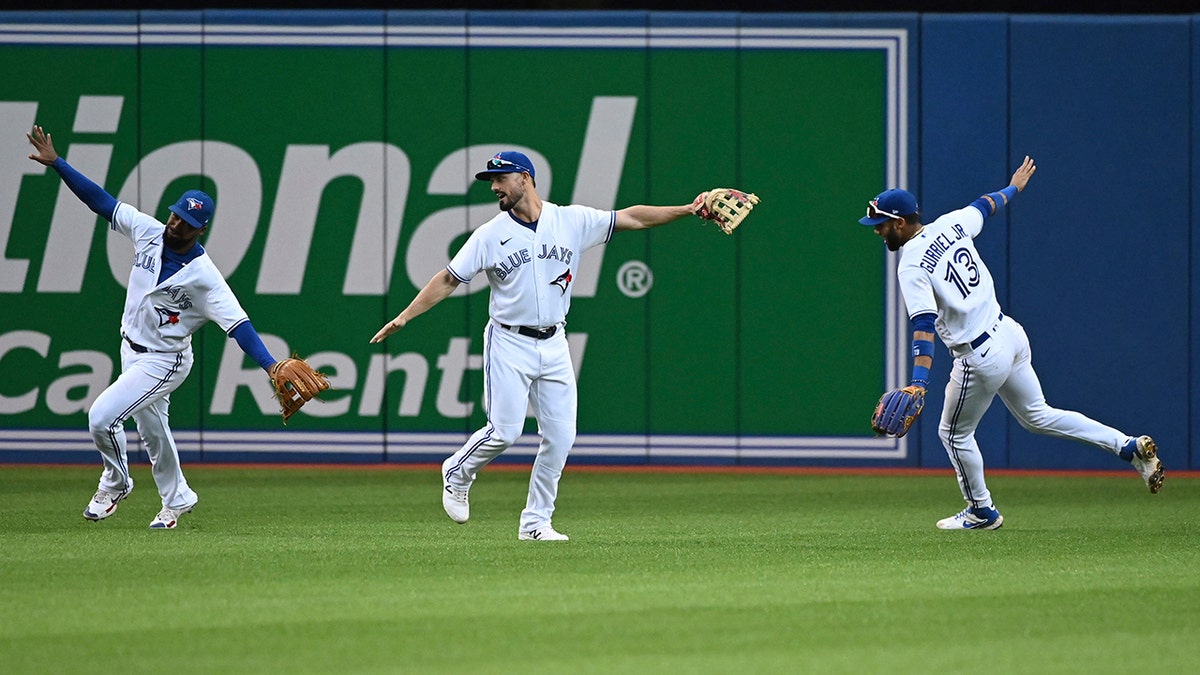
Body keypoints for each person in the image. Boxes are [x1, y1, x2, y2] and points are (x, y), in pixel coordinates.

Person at [371, 151, 710, 541]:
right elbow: (449, 279)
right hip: (509, 341)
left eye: (501, 178)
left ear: (525, 179)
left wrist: (688, 208)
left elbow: (631, 217)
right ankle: (457, 471)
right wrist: (404, 317)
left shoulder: (571, 221)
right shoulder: (489, 234)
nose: (495, 186)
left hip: (554, 342)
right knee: (504, 432)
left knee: (562, 437)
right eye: (492, 180)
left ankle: (535, 523)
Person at [858, 156, 1164, 530]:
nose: (877, 230)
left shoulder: (911, 263)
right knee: (1039, 415)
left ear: (900, 223)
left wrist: (920, 381)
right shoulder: (951, 223)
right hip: (1009, 334)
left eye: (881, 224)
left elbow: (922, 325)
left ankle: (981, 511)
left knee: (953, 434)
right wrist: (1014, 186)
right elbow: (985, 205)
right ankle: (1127, 446)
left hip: (979, 356)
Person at [27, 124, 287, 529]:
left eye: (186, 223)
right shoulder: (149, 231)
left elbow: (239, 326)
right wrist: (59, 163)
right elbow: (103, 203)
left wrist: (271, 365)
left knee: (101, 418)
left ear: (201, 230)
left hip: (164, 360)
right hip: (130, 347)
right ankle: (178, 498)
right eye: (176, 215)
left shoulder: (206, 278)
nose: (176, 225)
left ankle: (115, 483)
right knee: (153, 430)